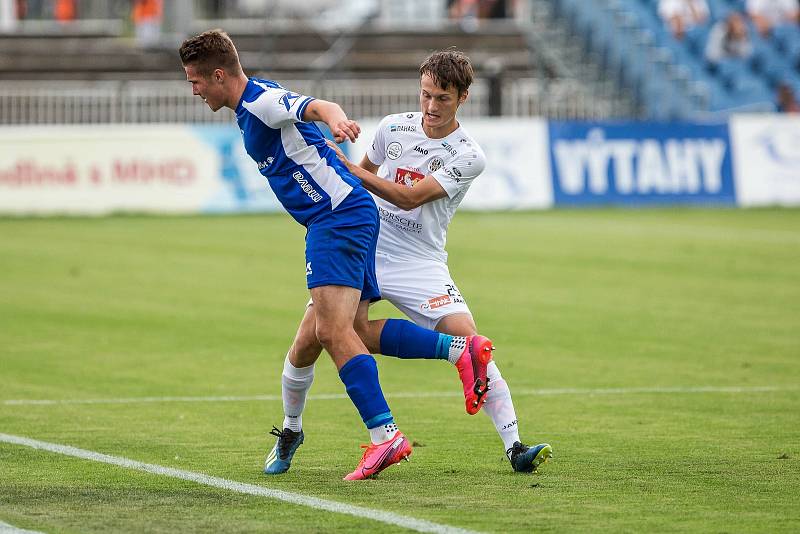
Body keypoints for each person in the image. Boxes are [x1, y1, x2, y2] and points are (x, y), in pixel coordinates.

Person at [179, 30, 494, 481]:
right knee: (313, 342)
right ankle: (291, 430)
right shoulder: (252, 103)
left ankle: (387, 437)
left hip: (338, 216)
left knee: (332, 330)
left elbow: (316, 107)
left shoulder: (261, 101)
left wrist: (338, 121)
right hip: (344, 215)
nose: (193, 90)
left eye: (195, 81)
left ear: (218, 74)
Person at [265, 49, 552, 476]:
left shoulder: (468, 154)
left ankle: (515, 447)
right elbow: (356, 180)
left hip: (421, 261)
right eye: (426, 96)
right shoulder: (392, 127)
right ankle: (291, 430)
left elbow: (407, 196)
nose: (431, 108)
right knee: (314, 341)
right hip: (369, 247)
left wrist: (344, 164)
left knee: (473, 345)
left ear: (464, 98)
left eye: (443, 99)